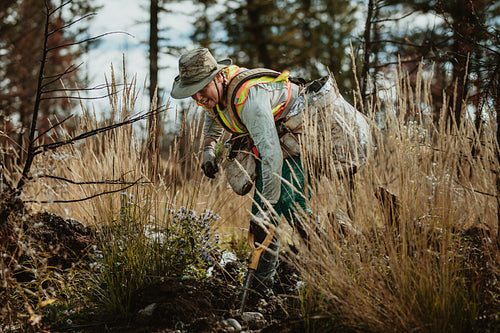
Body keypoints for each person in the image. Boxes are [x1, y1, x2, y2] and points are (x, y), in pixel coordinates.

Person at [170, 47, 371, 297]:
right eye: (193, 93)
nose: (199, 98)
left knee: (289, 202)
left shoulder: (249, 101)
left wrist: (267, 210)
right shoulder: (215, 94)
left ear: (219, 77)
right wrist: (208, 148)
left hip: (309, 134)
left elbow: (272, 156)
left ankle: (333, 271)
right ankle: (260, 286)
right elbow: (213, 114)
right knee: (260, 218)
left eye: (202, 90)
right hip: (281, 138)